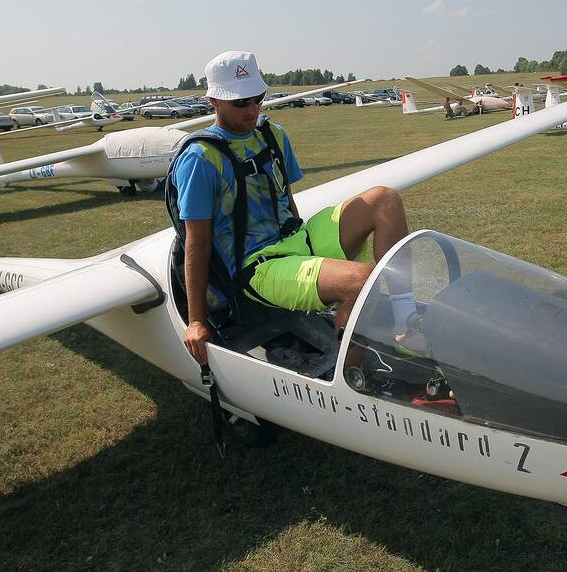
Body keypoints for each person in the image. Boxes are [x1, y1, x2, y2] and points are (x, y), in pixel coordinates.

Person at [169, 51, 424, 369]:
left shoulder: (272, 135)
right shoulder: (200, 158)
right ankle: (354, 378)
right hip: (257, 266)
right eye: (240, 102)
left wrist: (311, 256)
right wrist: (196, 321)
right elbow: (197, 242)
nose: (252, 109)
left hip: (295, 239)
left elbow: (286, 200)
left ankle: (406, 324)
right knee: (360, 281)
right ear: (214, 101)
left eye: (257, 97)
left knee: (384, 200)